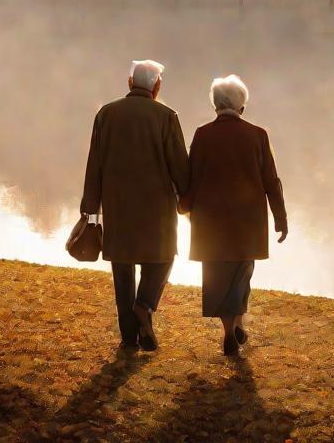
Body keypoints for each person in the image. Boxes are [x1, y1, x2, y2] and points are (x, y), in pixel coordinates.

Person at [80, 59, 189, 352]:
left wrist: (90, 208)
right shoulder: (166, 116)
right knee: (164, 257)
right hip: (158, 207)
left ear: (130, 83)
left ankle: (129, 335)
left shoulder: (106, 114)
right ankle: (145, 305)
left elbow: (95, 164)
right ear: (157, 86)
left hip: (117, 204)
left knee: (123, 267)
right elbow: (179, 164)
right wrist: (187, 198)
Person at [178, 74, 287, 356]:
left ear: (216, 106)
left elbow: (192, 174)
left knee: (216, 275)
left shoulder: (203, 134)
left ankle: (228, 331)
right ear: (242, 106)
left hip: (210, 220)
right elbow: (271, 180)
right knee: (242, 274)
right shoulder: (257, 135)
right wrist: (280, 217)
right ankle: (238, 322)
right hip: (247, 220)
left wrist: (184, 205)